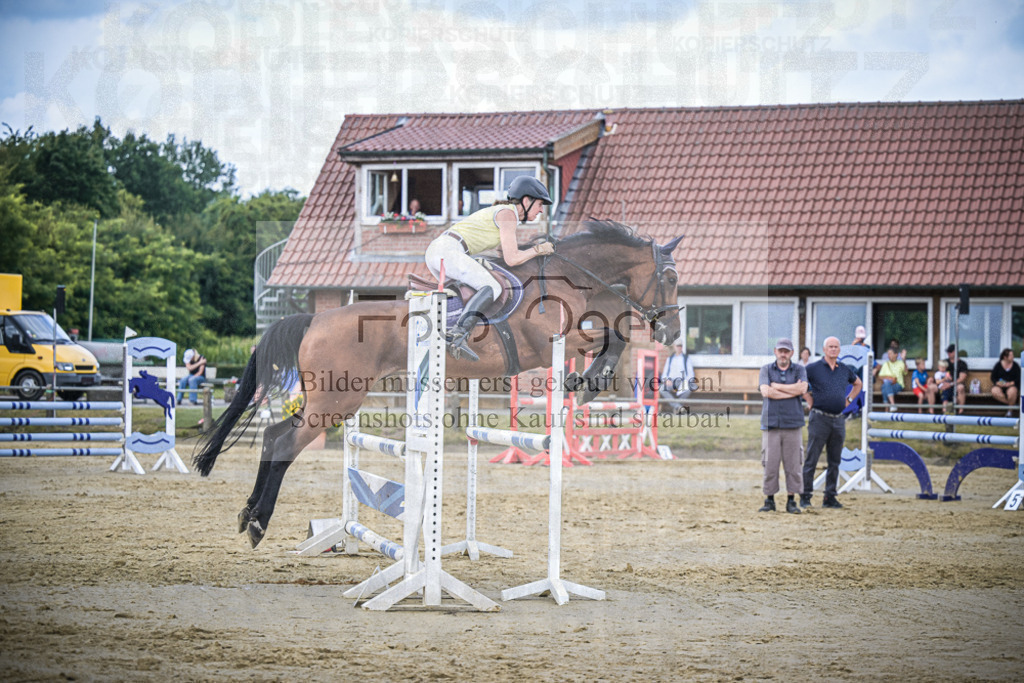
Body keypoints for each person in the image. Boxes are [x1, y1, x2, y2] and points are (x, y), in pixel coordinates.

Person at [424, 175, 554, 361]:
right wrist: (539, 250)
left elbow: (505, 256)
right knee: (494, 287)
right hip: (447, 250)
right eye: (540, 204)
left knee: (476, 288)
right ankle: (458, 335)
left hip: (443, 251)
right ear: (527, 200)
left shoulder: (504, 213)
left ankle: (453, 328)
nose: (541, 210)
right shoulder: (508, 215)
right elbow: (512, 259)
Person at [801, 336, 862, 509]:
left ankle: (830, 497)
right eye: (830, 347)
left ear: (839, 350)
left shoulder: (844, 369)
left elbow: (858, 383)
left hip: (838, 420)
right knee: (812, 458)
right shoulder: (813, 368)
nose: (833, 349)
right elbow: (800, 383)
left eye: (836, 347)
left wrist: (849, 399)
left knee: (835, 460)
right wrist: (809, 400)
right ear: (825, 349)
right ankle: (805, 496)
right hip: (819, 418)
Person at [757, 338, 807, 514]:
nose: (783, 354)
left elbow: (803, 389)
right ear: (775, 351)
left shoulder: (800, 369)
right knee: (770, 464)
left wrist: (777, 387)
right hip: (771, 424)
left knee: (793, 465)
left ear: (792, 353)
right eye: (781, 350)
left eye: (787, 351)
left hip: (793, 423)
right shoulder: (766, 369)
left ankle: (791, 500)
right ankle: (769, 499)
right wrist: (792, 390)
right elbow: (766, 392)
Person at [661, 340, 695, 414]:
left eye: (681, 346)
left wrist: (685, 382)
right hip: (671, 382)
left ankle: (676, 407)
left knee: (688, 389)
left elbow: (691, 374)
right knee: (661, 389)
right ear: (674, 347)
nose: (679, 348)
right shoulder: (669, 359)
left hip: (682, 381)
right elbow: (664, 374)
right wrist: (666, 380)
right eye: (677, 346)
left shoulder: (686, 359)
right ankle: (678, 407)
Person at [990, 348, 1021, 416]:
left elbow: (1018, 378)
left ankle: (1010, 411)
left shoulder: (1015, 366)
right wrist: (997, 383)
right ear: (1005, 357)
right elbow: (993, 377)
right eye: (1011, 355)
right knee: (994, 391)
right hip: (1000, 385)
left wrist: (1011, 383)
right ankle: (1011, 404)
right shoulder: (998, 365)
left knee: (1012, 392)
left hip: (1012, 385)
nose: (1013, 357)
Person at [875, 347, 906, 412]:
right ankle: (892, 405)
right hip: (888, 385)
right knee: (886, 385)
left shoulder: (900, 363)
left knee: (885, 386)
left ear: (896, 354)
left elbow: (905, 372)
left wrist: (904, 359)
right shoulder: (886, 364)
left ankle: (887, 410)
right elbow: (880, 376)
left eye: (890, 354)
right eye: (888, 354)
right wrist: (889, 378)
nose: (889, 355)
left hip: (898, 385)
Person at [944, 344, 969, 413]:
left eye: (950, 352)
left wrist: (951, 384)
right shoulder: (945, 362)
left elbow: (961, 378)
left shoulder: (962, 364)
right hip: (945, 383)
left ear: (955, 352)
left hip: (956, 385)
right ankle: (932, 412)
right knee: (933, 387)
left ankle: (961, 411)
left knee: (960, 387)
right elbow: (940, 374)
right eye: (948, 352)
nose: (948, 353)